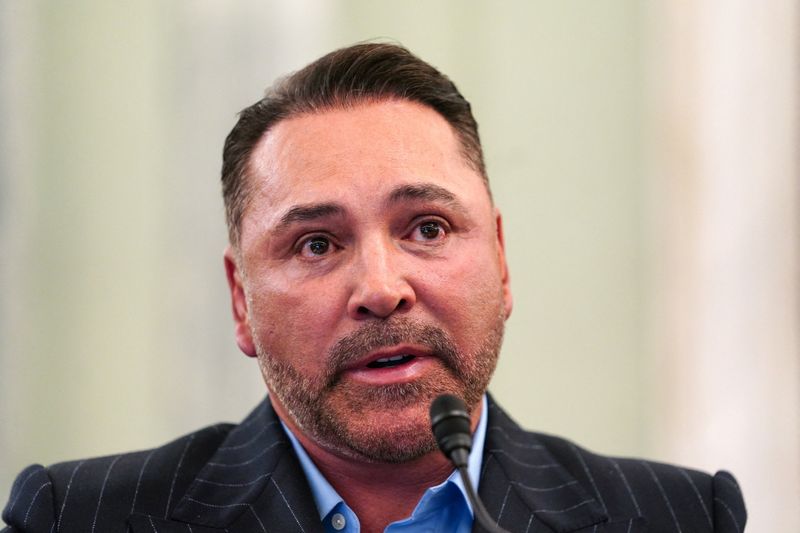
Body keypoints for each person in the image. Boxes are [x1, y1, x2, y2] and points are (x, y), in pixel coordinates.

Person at [2, 43, 746, 533]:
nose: (382, 289)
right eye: (317, 243)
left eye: (426, 228)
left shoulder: (678, 516)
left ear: (501, 259)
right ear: (240, 303)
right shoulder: (77, 517)